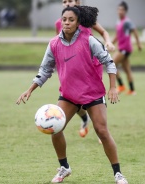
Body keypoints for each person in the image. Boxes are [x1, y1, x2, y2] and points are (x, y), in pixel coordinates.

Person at [17, 5, 128, 184]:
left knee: (102, 131)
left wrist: (113, 87)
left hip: (93, 94)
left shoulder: (89, 40)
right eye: (64, 20)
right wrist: (30, 89)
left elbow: (109, 62)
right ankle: (64, 168)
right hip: (69, 95)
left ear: (78, 23)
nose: (66, 23)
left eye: (71, 20)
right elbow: (45, 70)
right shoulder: (54, 43)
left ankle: (118, 174)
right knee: (55, 128)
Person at [55, 0, 116, 138]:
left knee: (92, 96)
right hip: (72, 67)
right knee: (71, 96)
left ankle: (102, 130)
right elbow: (59, 43)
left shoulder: (85, 18)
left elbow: (103, 31)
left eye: (70, 1)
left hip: (90, 65)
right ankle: (84, 119)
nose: (67, 3)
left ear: (78, 2)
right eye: (64, 1)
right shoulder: (60, 22)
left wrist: (108, 41)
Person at [112, 1, 142, 95]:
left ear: (125, 11)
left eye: (122, 10)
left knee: (111, 65)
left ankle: (121, 86)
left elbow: (135, 31)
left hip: (125, 48)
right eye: (118, 9)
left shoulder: (127, 22)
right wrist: (111, 43)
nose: (120, 11)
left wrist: (139, 44)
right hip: (122, 48)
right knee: (127, 69)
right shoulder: (119, 22)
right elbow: (117, 35)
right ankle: (132, 90)